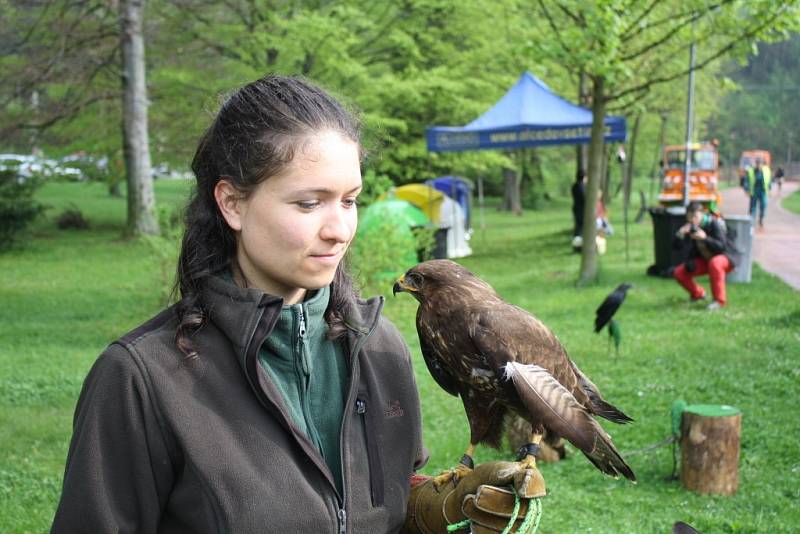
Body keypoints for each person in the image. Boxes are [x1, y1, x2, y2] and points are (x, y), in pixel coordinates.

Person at [51, 75, 538, 533]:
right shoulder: (141, 378)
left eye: (349, 200)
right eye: (309, 203)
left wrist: (437, 507)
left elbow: (369, 509)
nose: (339, 229)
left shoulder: (379, 346)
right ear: (232, 203)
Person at [673, 202, 736, 311]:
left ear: (703, 214)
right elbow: (676, 248)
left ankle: (719, 301)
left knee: (715, 263)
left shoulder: (714, 223)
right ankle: (698, 294)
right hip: (706, 260)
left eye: (696, 217)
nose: (693, 220)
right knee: (679, 272)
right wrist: (680, 234)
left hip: (725, 258)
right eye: (690, 217)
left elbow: (721, 246)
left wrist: (705, 238)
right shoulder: (691, 228)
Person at [745, 158, 771, 228]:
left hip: (763, 191)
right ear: (755, 164)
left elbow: (769, 180)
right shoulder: (751, 171)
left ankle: (761, 219)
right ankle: (751, 220)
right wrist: (746, 189)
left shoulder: (766, 170)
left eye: (760, 163)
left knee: (763, 206)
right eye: (757, 163)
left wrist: (769, 189)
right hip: (754, 191)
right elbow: (747, 180)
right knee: (752, 207)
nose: (758, 165)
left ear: (762, 164)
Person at [570, 169, 586, 250]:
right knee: (580, 227)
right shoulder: (581, 186)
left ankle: (577, 243)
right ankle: (577, 245)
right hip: (581, 209)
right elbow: (584, 198)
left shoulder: (575, 185)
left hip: (576, 208)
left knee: (578, 226)